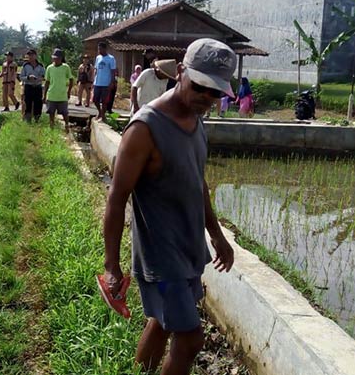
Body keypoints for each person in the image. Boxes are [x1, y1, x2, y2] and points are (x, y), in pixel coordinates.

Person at [102, 38, 236, 375]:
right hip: (161, 257)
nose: (207, 97)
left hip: (188, 246)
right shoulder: (145, 129)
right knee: (190, 341)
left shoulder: (195, 117)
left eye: (216, 93)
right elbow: (117, 198)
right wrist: (111, 265)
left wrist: (217, 236)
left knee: (161, 323)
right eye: (201, 87)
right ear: (180, 73)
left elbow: (197, 182)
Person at [43, 48, 75, 131]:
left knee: (65, 113)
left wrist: (68, 91)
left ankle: (67, 126)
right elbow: (47, 82)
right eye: (54, 58)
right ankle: (51, 127)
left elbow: (71, 79)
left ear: (61, 58)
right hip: (52, 94)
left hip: (62, 95)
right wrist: (44, 95)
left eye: (57, 58)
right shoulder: (49, 68)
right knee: (51, 113)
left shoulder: (65, 67)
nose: (55, 60)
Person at [93, 42, 117, 121]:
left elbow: (113, 71)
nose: (99, 50)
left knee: (104, 101)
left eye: (100, 49)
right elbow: (96, 69)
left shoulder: (111, 58)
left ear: (105, 49)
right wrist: (94, 80)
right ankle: (99, 112)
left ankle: (103, 116)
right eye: (98, 49)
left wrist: (112, 82)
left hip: (106, 83)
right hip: (97, 82)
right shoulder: (98, 58)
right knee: (95, 100)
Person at [21, 49, 46, 122]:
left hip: (37, 87)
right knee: (28, 103)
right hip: (28, 87)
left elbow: (44, 76)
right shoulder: (25, 66)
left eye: (32, 55)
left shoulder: (40, 66)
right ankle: (28, 120)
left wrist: (40, 78)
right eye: (29, 55)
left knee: (38, 104)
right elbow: (21, 77)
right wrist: (28, 77)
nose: (30, 57)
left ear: (35, 56)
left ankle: (37, 119)